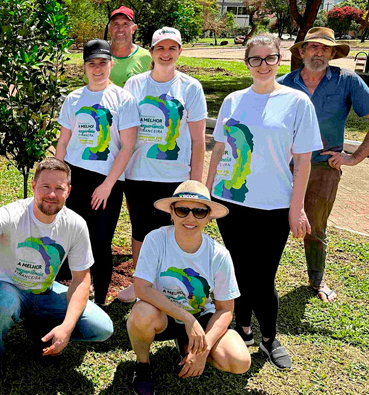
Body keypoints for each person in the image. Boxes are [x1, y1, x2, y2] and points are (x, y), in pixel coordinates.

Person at [206, 34, 322, 370]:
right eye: (255, 59)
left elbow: (303, 161)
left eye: (269, 58)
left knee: (263, 276)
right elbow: (220, 148)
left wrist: (297, 208)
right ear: (247, 63)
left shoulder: (297, 102)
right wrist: (206, 191)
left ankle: (269, 338)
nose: (263, 65)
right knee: (239, 270)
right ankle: (243, 330)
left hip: (274, 206)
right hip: (230, 202)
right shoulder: (233, 100)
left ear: (279, 59)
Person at [0, 158, 115, 390]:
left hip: (44, 291)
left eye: (59, 188)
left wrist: (66, 328)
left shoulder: (75, 224)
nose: (52, 194)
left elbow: (81, 280)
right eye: (45, 187)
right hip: (5, 285)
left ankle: (41, 331)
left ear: (68, 191)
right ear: (34, 186)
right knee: (4, 304)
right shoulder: (13, 213)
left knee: (102, 327)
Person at [127, 180, 250, 395]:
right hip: (163, 314)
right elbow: (141, 288)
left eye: (199, 212)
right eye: (182, 210)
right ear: (171, 213)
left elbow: (225, 309)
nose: (190, 218)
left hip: (201, 316)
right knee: (141, 313)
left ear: (209, 218)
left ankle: (189, 346)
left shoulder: (219, 255)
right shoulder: (155, 240)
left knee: (239, 361)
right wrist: (186, 318)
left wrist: (204, 348)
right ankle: (143, 366)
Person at [278, 27, 369, 303]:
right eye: (314, 47)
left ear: (332, 54)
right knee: (273, 224)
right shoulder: (283, 84)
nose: (319, 53)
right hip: (283, 168)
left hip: (323, 167)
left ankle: (316, 279)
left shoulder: (347, 81)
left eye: (325, 48)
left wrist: (353, 157)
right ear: (303, 51)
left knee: (316, 226)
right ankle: (261, 278)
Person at [118, 27, 207, 303]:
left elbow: (198, 141)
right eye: (160, 48)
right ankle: (140, 286)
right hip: (137, 173)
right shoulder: (134, 84)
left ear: (179, 51)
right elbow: (125, 131)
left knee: (174, 233)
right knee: (140, 231)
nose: (166, 54)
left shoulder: (190, 87)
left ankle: (169, 286)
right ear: (151, 52)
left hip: (175, 177)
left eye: (172, 48)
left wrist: (195, 185)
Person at [55, 39, 139, 305]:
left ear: (111, 64)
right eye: (92, 63)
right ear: (85, 67)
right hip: (74, 177)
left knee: (101, 242)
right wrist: (58, 180)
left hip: (106, 181)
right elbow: (63, 142)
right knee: (69, 238)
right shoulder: (73, 99)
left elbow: (127, 146)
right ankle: (64, 295)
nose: (98, 68)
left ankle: (100, 300)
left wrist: (107, 185)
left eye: (103, 62)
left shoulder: (123, 99)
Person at [108, 6, 152, 87]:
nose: (120, 29)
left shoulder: (146, 57)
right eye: (115, 24)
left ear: (134, 29)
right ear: (109, 28)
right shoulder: (99, 56)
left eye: (125, 24)